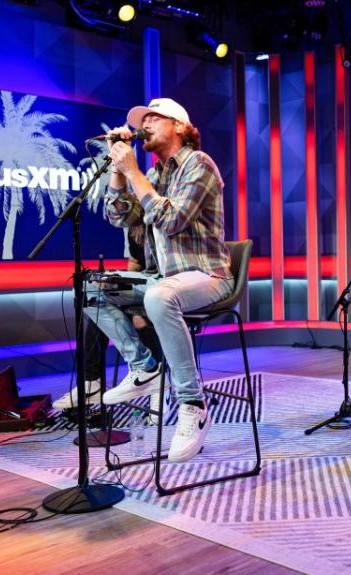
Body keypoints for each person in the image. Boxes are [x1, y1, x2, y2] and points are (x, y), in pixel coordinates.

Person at [86, 97, 233, 463]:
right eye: (143, 120)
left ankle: (193, 404)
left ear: (179, 127)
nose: (145, 125)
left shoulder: (200, 165)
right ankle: (144, 367)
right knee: (89, 286)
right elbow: (119, 218)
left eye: (154, 119)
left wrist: (132, 171)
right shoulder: (154, 175)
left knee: (158, 297)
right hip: (163, 278)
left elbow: (171, 220)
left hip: (208, 276)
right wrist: (119, 170)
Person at [53, 227, 164, 418]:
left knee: (139, 319)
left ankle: (158, 382)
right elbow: (135, 266)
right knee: (93, 298)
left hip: (165, 288)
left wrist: (135, 308)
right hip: (144, 286)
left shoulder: (159, 219)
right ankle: (92, 381)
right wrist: (120, 293)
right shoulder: (135, 230)